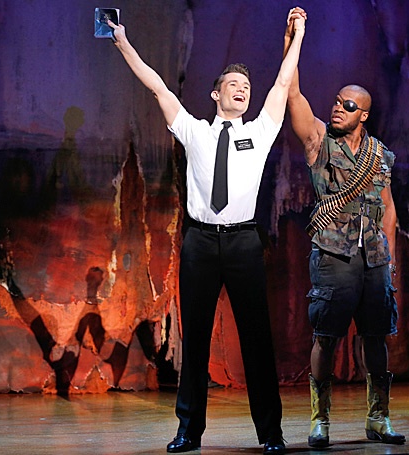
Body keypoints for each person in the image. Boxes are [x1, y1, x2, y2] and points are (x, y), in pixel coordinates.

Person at [108, 7, 306, 454]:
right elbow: (157, 86)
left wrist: (298, 36)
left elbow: (281, 84)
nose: (243, 89)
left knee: (256, 340)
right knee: (195, 340)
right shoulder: (194, 131)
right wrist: (123, 43)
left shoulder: (260, 131)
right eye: (234, 84)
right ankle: (188, 431)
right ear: (216, 94)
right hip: (200, 242)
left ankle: (270, 434)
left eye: (246, 87)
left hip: (243, 242)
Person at [282, 33, 406, 447]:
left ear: (363, 115)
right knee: (326, 337)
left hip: (374, 258)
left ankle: (378, 417)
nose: (338, 107)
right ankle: (320, 420)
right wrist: (293, 42)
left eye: (348, 105)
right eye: (337, 102)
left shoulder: (380, 155)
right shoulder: (320, 140)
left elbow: (388, 209)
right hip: (333, 253)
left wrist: (390, 262)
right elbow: (293, 94)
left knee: (376, 338)